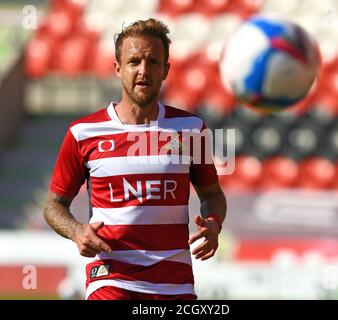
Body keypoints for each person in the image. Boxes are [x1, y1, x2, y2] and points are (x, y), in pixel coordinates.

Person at [44, 18, 227, 300]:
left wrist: (214, 222)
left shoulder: (191, 129)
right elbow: (54, 206)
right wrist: (77, 231)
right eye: (134, 61)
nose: (143, 70)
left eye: (153, 62)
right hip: (111, 276)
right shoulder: (83, 133)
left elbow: (212, 194)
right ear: (118, 68)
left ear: (166, 70)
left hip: (175, 281)